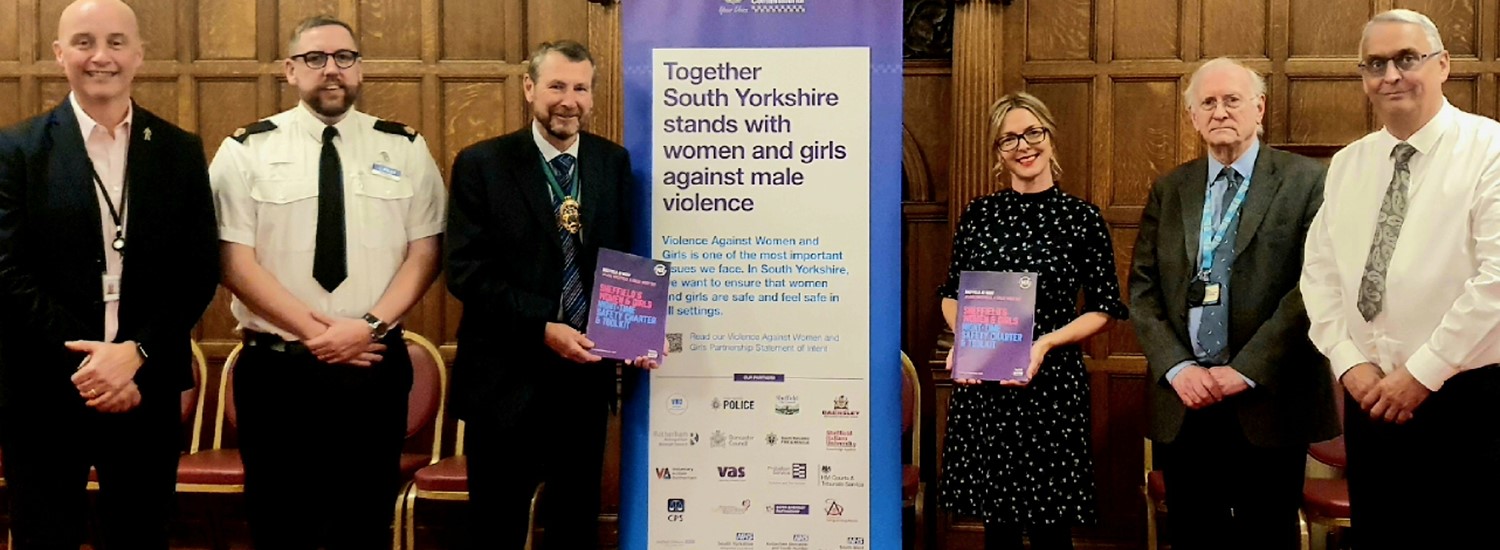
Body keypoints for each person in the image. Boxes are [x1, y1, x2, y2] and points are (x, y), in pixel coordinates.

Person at [208, 15, 446, 549]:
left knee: (361, 526)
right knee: (278, 524)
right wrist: (321, 336)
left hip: (373, 367)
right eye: (315, 59)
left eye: (344, 57)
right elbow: (233, 262)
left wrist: (367, 327)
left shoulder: (404, 148)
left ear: (360, 68)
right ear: (291, 71)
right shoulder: (245, 150)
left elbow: (426, 251)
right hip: (277, 371)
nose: (331, 70)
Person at [0, 0, 219, 547]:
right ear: (59, 55)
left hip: (147, 386)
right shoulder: (15, 151)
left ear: (139, 54)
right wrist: (94, 363)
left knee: (141, 535)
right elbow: (7, 271)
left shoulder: (178, 151)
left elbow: (197, 271)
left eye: (117, 42)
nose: (101, 57)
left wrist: (134, 353)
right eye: (84, 42)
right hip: (44, 387)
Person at [1300, 9, 1500, 549]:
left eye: (1407, 59)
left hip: (1467, 402)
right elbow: (1317, 274)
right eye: (1376, 64)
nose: (1391, 75)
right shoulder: (1349, 164)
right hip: (1372, 399)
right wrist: (1348, 361)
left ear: (1443, 65)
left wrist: (1423, 372)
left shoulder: (1490, 151)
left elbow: (1497, 281)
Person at [445, 39, 655, 549]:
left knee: (575, 527)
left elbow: (622, 259)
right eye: (557, 86)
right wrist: (544, 326)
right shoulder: (483, 164)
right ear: (529, 88)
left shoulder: (611, 163)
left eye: (580, 88)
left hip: (583, 381)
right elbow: (465, 272)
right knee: (497, 526)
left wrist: (635, 335)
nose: (569, 100)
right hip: (505, 380)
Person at [1129, 57, 1337, 550]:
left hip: (1268, 397)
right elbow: (1142, 289)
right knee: (1194, 535)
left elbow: (1313, 286)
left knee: (1267, 536)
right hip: (1186, 401)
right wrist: (1178, 367)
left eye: (1232, 99)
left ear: (1259, 107)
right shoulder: (1170, 189)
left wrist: (1244, 370)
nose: (1220, 111)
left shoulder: (1308, 180)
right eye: (1208, 102)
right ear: (1193, 117)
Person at [937, 91, 1128, 550]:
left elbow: (1105, 308)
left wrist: (1041, 344)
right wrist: (969, 340)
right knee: (997, 526)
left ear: (1049, 137)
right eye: (1008, 140)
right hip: (987, 385)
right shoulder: (979, 215)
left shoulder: (1082, 218)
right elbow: (950, 295)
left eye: (1031, 133)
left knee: (1050, 529)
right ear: (998, 153)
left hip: (1051, 385)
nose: (1023, 146)